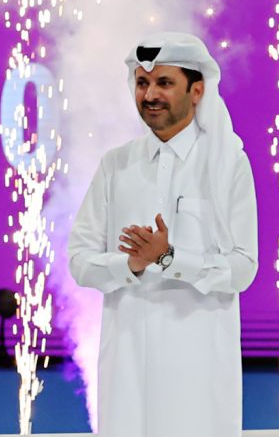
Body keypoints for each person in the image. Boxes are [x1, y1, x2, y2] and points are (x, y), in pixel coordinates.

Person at [67, 32, 258, 437]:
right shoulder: (116, 165)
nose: (150, 94)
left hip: (199, 369)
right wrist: (130, 264)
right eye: (142, 83)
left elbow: (243, 268)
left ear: (197, 90)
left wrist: (170, 259)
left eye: (164, 83)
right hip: (127, 368)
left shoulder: (227, 163)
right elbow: (80, 261)